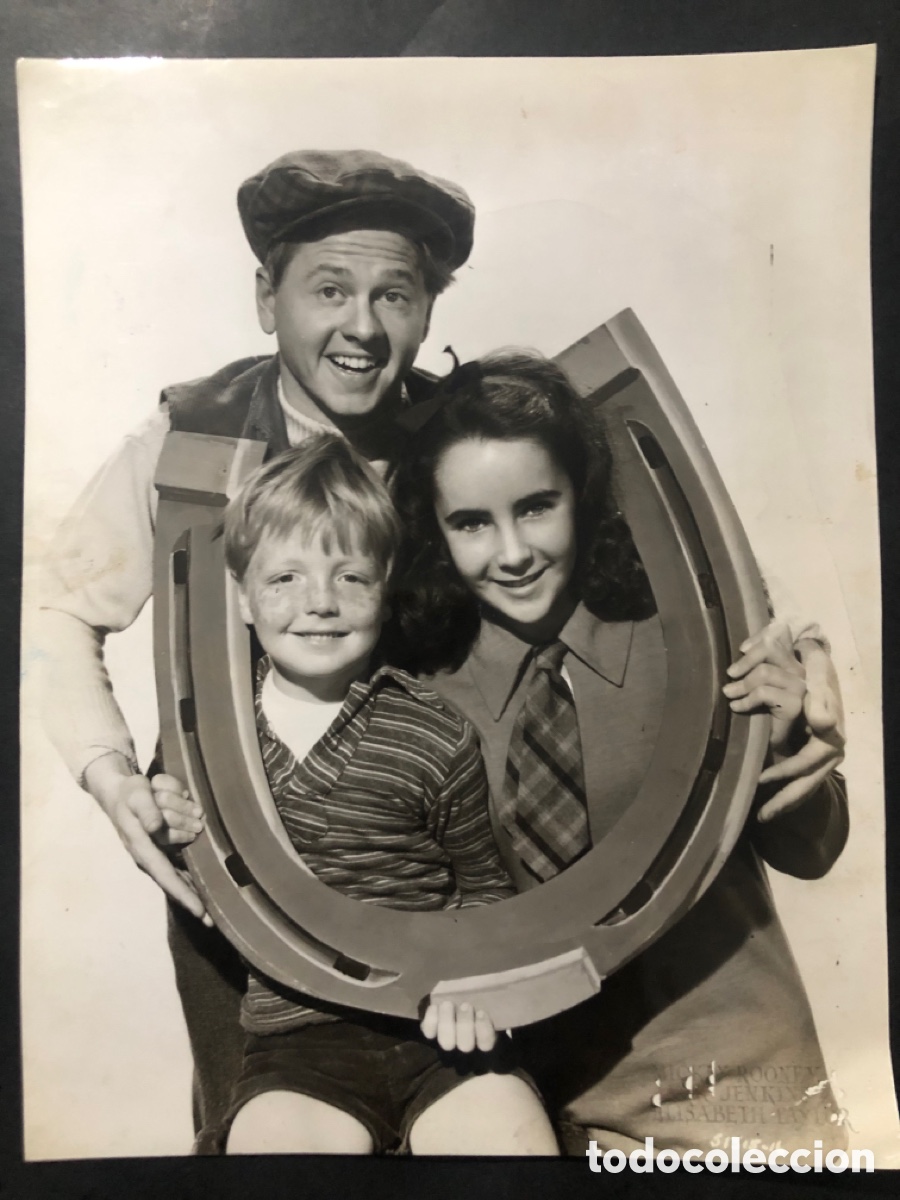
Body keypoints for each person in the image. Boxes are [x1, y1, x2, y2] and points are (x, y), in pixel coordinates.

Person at [38, 146, 845, 1151]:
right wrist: (112, 775)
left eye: (396, 294)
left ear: (429, 308)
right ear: (265, 297)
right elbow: (52, 603)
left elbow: (690, 579)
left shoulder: (458, 437)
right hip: (252, 863)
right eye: (328, 288)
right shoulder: (187, 440)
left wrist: (798, 659)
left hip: (456, 852)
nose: (362, 328)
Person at [389, 349, 850, 1156]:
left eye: (536, 508)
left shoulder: (692, 643)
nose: (512, 553)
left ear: (584, 496)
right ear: (434, 531)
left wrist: (790, 735)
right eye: (471, 523)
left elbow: (811, 852)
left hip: (745, 1102)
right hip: (540, 1113)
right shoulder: (422, 697)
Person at [149, 432, 556, 1154]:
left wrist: (476, 988)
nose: (320, 604)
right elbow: (209, 886)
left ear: (384, 585)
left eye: (350, 578)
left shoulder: (435, 733)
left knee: (510, 1143)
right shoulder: (207, 736)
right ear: (241, 598)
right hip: (298, 1050)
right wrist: (169, 825)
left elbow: (485, 890)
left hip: (437, 1031)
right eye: (285, 580)